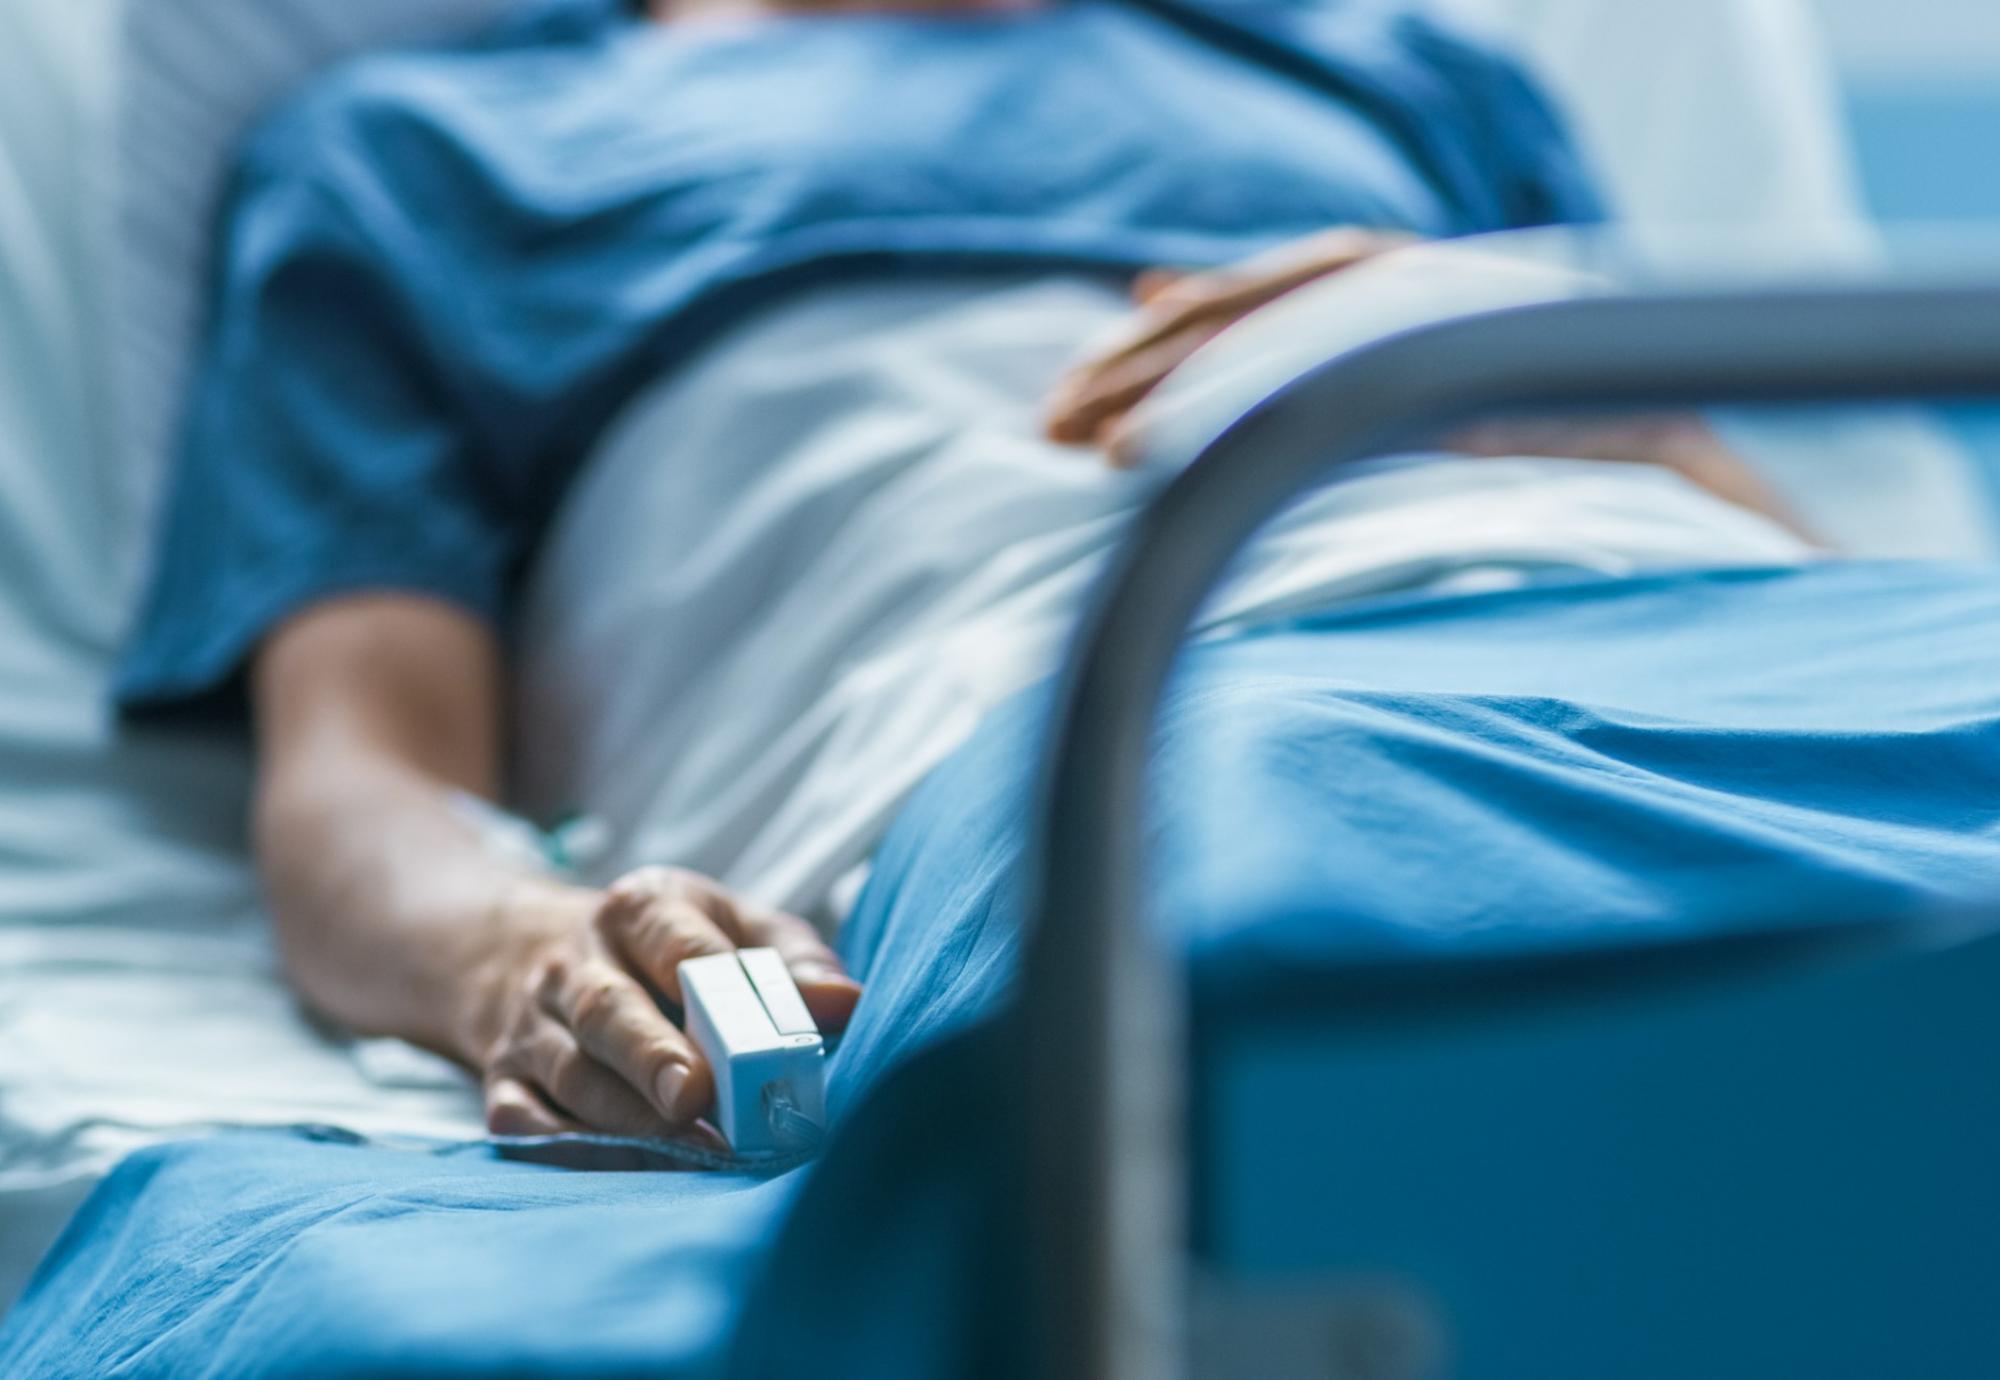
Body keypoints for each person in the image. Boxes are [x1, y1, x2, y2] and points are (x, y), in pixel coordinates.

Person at [115, 0, 1794, 1147]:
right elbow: (365, 781)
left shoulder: (1403, 75)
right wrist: (525, 954)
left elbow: (1813, 561)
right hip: (1120, 709)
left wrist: (1546, 372)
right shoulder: (422, 155)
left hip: (1743, 648)